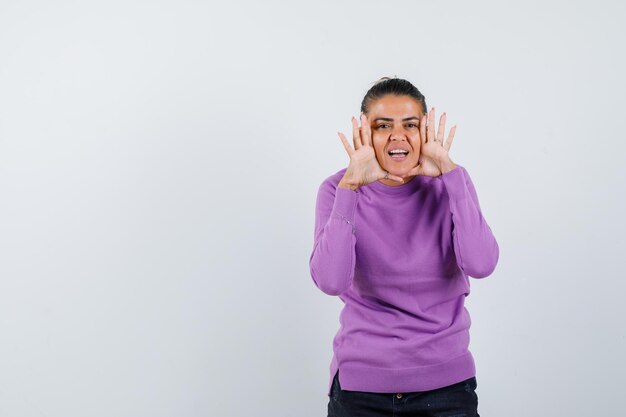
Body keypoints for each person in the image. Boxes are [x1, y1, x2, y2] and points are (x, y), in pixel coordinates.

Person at [309, 77, 499, 417]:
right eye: (383, 126)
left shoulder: (451, 182)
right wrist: (351, 186)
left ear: (425, 131)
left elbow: (482, 263)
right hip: (360, 391)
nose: (398, 136)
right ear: (364, 134)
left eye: (410, 125)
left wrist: (450, 174)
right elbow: (331, 281)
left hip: (446, 389)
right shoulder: (337, 189)